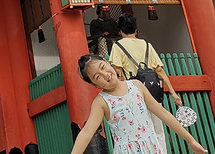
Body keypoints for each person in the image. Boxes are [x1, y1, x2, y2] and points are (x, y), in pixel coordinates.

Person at [70, 55, 207, 154]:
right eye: (97, 77)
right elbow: (87, 132)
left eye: (103, 67)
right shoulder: (101, 102)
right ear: (94, 84)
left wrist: (190, 140)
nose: (105, 74)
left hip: (152, 147)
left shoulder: (136, 86)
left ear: (106, 62)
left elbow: (163, 114)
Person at [108, 13, 182, 152]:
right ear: (136, 30)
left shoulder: (118, 46)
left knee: (143, 128)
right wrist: (173, 93)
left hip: (135, 93)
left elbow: (117, 72)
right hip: (154, 90)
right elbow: (159, 71)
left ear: (120, 31)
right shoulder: (147, 45)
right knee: (158, 128)